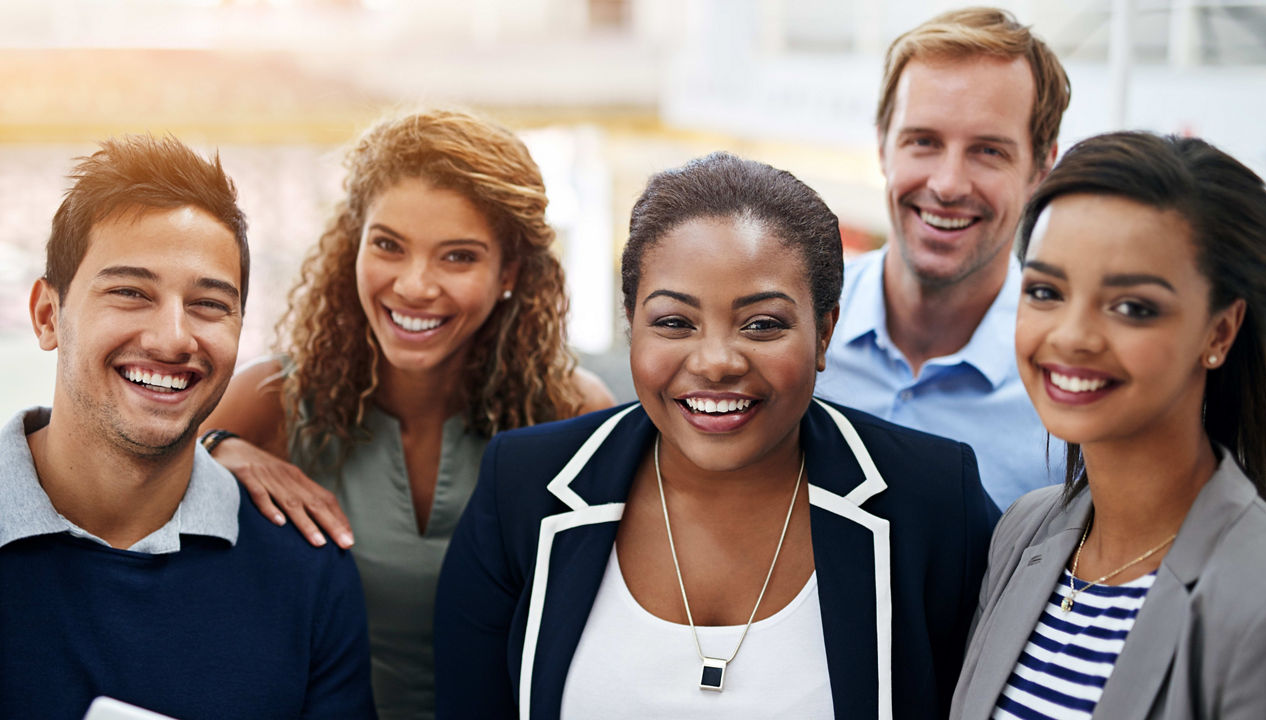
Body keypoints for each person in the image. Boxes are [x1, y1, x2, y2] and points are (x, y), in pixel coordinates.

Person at [435, 152, 999, 719]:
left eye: (762, 325)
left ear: (824, 332)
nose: (716, 362)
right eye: (675, 323)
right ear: (631, 324)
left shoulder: (933, 500)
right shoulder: (525, 486)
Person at [199, 109, 615, 720]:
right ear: (353, 246)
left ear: (510, 274)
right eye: (388, 245)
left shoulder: (571, 413)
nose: (415, 286)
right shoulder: (270, 401)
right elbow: (135, 507)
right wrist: (214, 449)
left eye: (458, 257)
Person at [0, 135, 375, 718]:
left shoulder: (306, 577)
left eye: (208, 304)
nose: (173, 338)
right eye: (130, 292)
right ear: (49, 316)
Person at [950, 132, 1266, 719]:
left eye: (1133, 307)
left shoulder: (1264, 588)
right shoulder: (1025, 530)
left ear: (1220, 332)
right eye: (1047, 291)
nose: (1073, 336)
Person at [814, 7, 1072, 509]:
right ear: (883, 146)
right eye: (924, 141)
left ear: (1042, 168)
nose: (948, 184)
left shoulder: (1072, 393)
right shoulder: (791, 331)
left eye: (988, 151)